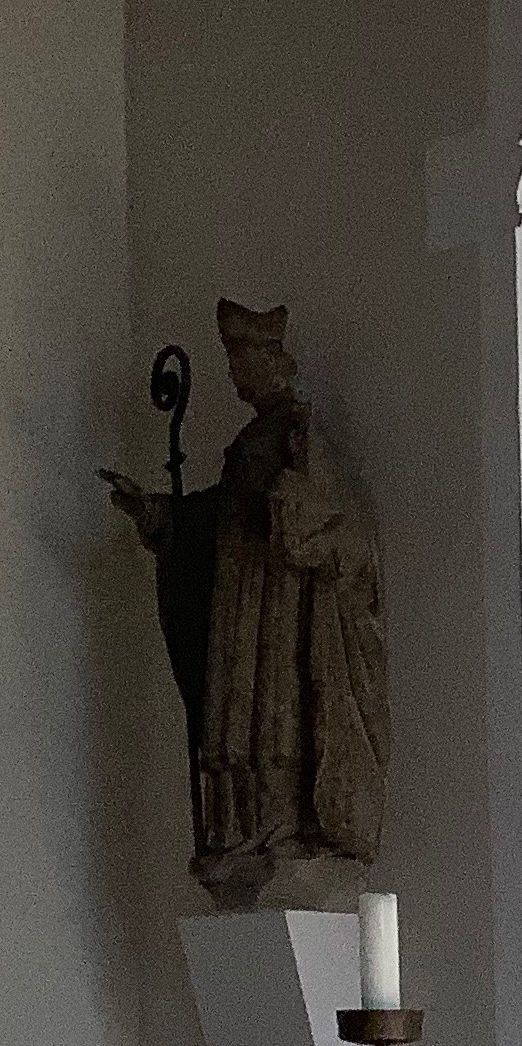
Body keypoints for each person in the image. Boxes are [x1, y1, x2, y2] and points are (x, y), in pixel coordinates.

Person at [101, 299, 391, 908]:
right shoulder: (251, 441)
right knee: (238, 719)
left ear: (271, 361)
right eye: (231, 365)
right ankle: (242, 832)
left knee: (276, 717)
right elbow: (219, 517)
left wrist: (295, 509)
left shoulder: (299, 437)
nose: (236, 378)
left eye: (242, 364)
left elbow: (337, 522)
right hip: (240, 605)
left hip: (279, 610)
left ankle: (282, 827)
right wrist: (162, 515)